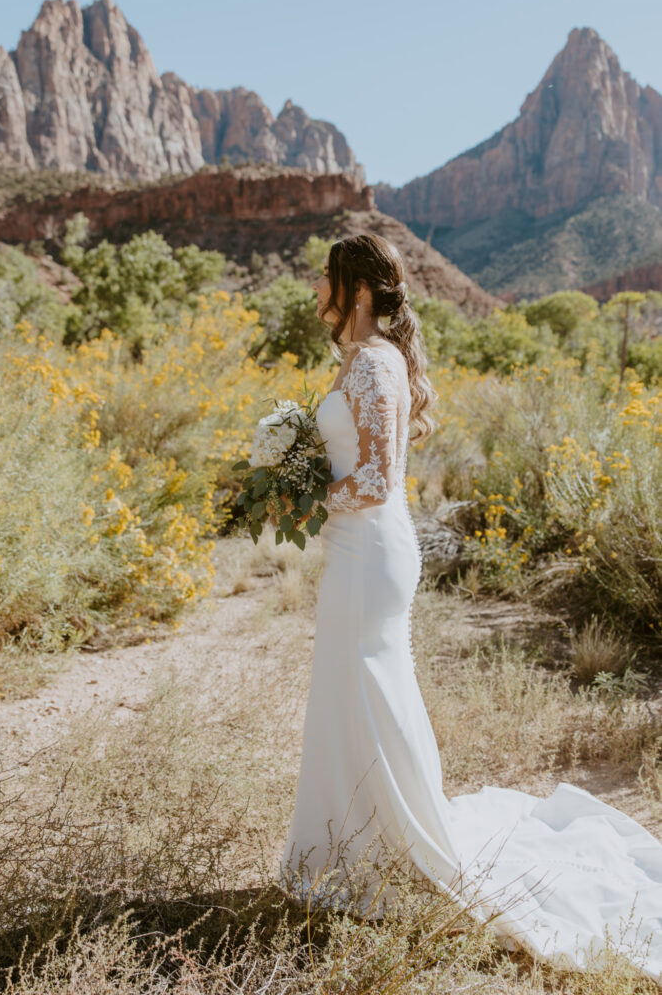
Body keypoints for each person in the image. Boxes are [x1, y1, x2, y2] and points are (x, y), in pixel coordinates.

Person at [277, 232, 662, 983]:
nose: (314, 289)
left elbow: (379, 481)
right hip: (354, 552)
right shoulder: (354, 361)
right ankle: (349, 848)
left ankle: (395, 850)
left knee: (369, 694)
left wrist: (297, 494)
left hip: (370, 552)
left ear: (354, 289)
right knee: (350, 695)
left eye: (324, 277)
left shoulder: (378, 363)